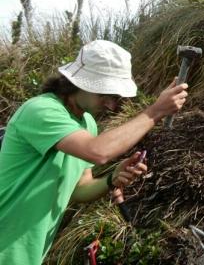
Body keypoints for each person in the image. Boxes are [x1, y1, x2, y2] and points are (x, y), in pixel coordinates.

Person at [0, 40, 188, 264]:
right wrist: (155, 112)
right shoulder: (41, 110)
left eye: (116, 97)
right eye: (105, 94)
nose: (111, 105)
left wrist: (112, 178)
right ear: (80, 83)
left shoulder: (87, 124)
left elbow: (79, 190)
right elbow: (97, 152)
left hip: (28, 255)